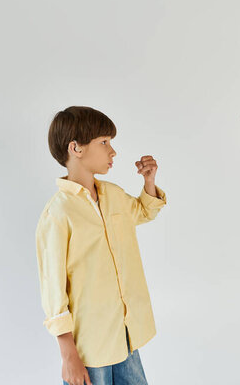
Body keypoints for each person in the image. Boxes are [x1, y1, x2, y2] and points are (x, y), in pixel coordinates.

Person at [35, 106, 167, 385]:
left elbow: (143, 212)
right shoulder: (58, 214)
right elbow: (53, 290)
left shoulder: (113, 195)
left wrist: (149, 181)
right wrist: (68, 354)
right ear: (76, 148)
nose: (113, 151)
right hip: (89, 348)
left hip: (125, 336)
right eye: (104, 142)